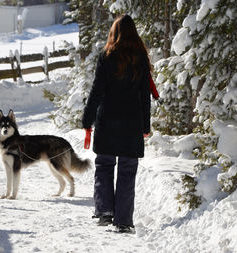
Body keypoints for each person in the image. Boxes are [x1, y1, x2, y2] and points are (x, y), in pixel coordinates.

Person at [82, 14, 151, 234]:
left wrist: (87, 119)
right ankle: (123, 220)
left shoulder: (106, 55)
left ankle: (104, 210)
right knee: (127, 170)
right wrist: (146, 126)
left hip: (108, 119)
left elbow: (96, 91)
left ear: (114, 32)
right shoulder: (141, 57)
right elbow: (144, 96)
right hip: (132, 121)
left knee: (104, 164)